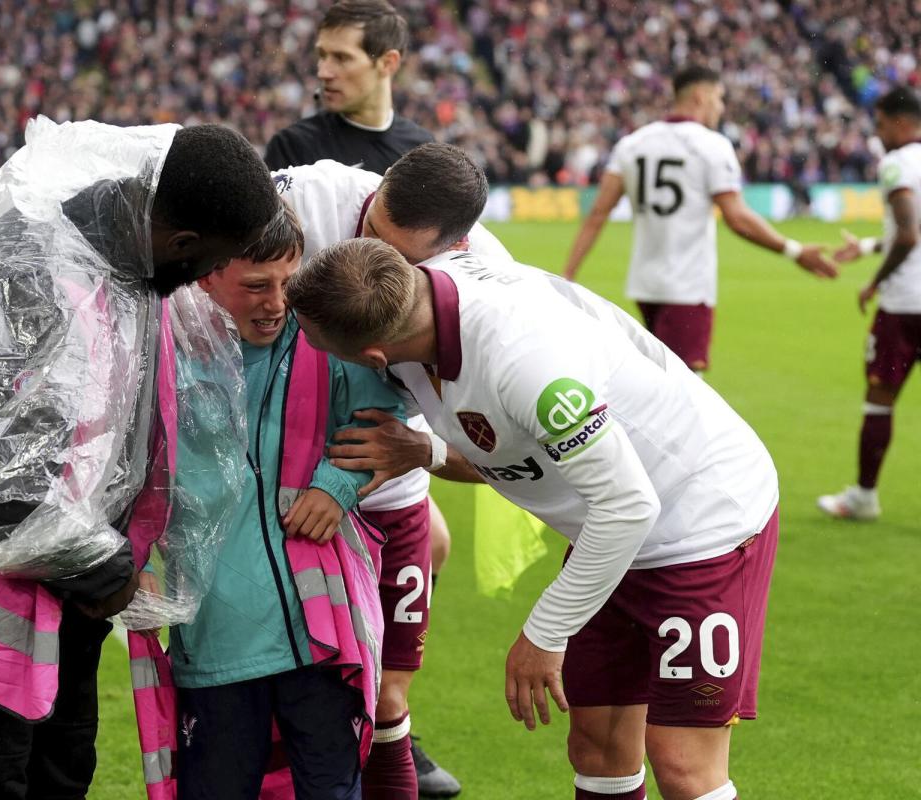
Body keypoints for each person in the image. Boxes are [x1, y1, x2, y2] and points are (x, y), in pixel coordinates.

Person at [0, 119, 280, 800]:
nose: (203, 282)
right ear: (183, 243)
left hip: (67, 588)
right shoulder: (26, 268)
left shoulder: (125, 259)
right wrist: (106, 569)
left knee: (60, 770)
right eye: (207, 264)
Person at [287, 233, 781, 800]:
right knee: (596, 746)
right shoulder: (418, 300)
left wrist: (545, 632)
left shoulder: (525, 366)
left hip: (701, 523)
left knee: (683, 765)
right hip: (608, 530)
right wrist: (424, 452)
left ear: (373, 358)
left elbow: (629, 505)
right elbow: (516, 456)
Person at [274, 144, 516, 799]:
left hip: (389, 496)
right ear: (377, 188)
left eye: (402, 256)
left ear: (455, 245)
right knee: (289, 689)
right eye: (372, 228)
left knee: (383, 698)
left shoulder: (488, 284)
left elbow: (508, 450)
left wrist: (412, 460)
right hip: (280, 492)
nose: (375, 255)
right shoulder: (309, 193)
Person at [141, 202, 404, 799]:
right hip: (214, 627)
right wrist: (134, 565)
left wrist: (336, 486)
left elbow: (384, 421)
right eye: (257, 285)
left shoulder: (324, 335)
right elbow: (126, 467)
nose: (278, 302)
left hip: (319, 631)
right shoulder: (163, 345)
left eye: (290, 280)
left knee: (333, 789)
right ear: (206, 275)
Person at [562, 65, 839, 372]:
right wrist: (794, 250)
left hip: (645, 285)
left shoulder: (633, 144)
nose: (720, 108)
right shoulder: (712, 145)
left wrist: (568, 275)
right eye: (719, 98)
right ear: (700, 95)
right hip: (687, 287)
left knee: (658, 378)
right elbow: (738, 218)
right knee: (685, 390)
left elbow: (598, 214)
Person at [818, 85, 921, 521]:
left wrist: (873, 282)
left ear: (900, 122)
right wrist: (865, 245)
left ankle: (864, 497)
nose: (877, 135)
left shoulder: (896, 163)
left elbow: (909, 234)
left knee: (880, 396)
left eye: (880, 124)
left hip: (904, 307)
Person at [264, 0, 433, 176]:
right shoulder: (293, 148)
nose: (323, 72)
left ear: (388, 63)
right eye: (322, 55)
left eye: (341, 58)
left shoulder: (421, 152)